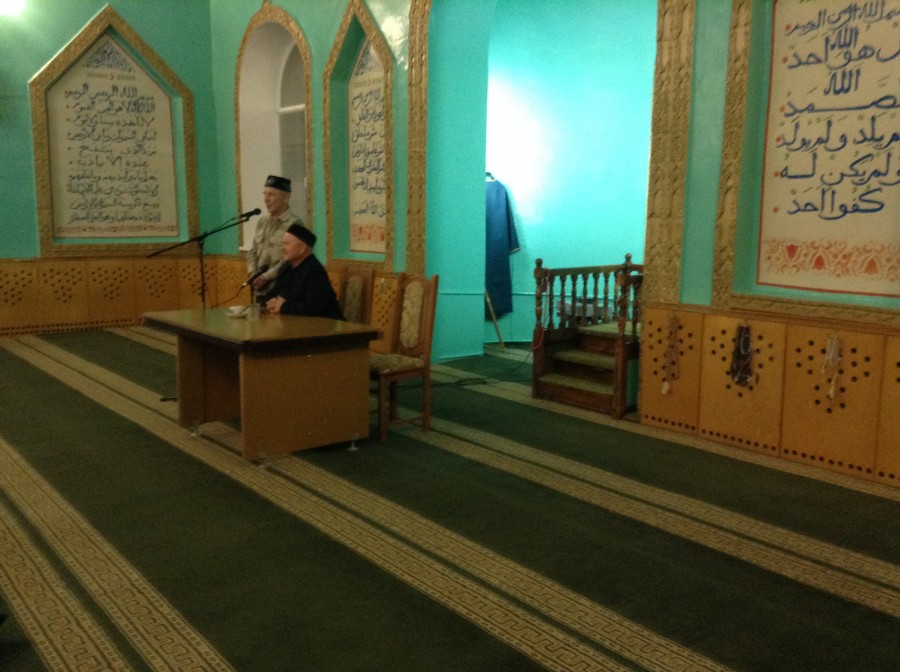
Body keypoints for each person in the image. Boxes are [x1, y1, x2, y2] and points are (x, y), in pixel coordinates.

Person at [262, 222, 344, 319]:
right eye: (282, 244)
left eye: (286, 244)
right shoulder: (286, 268)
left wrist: (283, 306)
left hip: (323, 325)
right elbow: (270, 295)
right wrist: (271, 303)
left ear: (302, 248)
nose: (282, 248)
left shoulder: (314, 271)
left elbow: (313, 308)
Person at [247, 175, 298, 299]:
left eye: (271, 195)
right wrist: (253, 274)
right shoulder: (262, 222)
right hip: (260, 290)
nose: (266, 199)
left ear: (286, 198)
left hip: (280, 292)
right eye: (264, 194)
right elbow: (252, 251)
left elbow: (290, 260)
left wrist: (265, 277)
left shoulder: (294, 224)